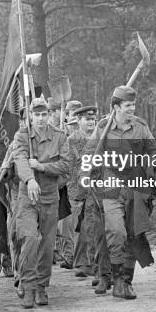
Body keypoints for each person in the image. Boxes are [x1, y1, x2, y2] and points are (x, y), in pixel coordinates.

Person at [83, 85, 156, 300]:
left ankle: (125, 282)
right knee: (116, 232)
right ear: (116, 107)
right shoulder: (103, 128)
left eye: (133, 105)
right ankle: (115, 278)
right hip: (111, 187)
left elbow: (153, 152)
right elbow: (88, 154)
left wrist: (153, 166)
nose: (132, 109)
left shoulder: (141, 127)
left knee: (134, 234)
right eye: (127, 106)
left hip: (136, 187)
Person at [12, 97, 70, 308]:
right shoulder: (22, 136)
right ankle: (27, 286)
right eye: (36, 114)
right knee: (30, 239)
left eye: (44, 114)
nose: (40, 118)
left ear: (49, 114)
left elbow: (66, 165)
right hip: (28, 197)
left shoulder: (60, 136)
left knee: (46, 246)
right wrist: (30, 180)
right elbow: (20, 159)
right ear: (30, 115)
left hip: (50, 197)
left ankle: (41, 286)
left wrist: (42, 167)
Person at [67, 105, 97, 277]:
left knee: (90, 226)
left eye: (93, 119)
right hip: (76, 191)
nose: (91, 122)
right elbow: (70, 167)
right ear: (78, 121)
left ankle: (85, 263)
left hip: (95, 189)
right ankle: (81, 262)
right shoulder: (71, 141)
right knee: (78, 228)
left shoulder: (99, 139)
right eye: (87, 119)